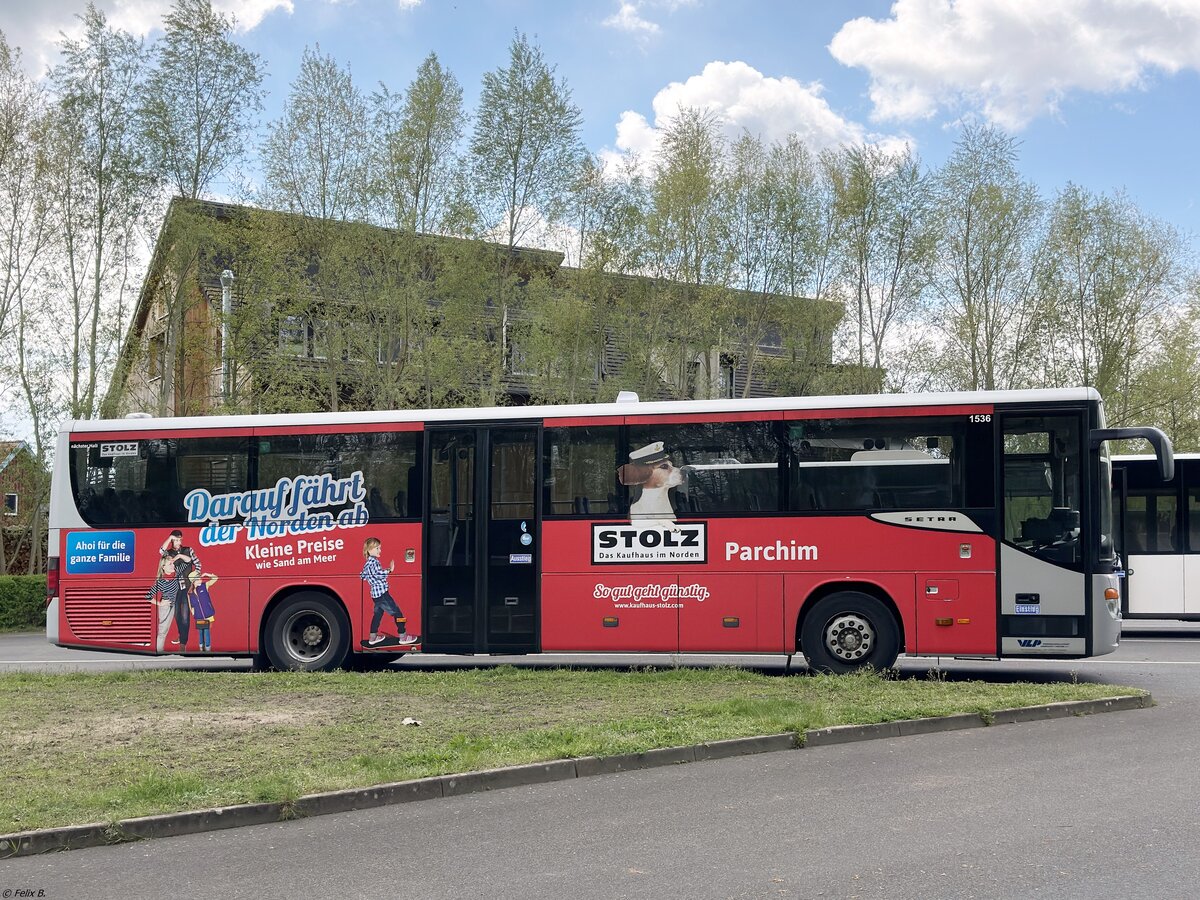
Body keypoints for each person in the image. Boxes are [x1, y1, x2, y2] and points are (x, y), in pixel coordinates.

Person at [360, 537, 419, 647]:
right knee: (398, 613)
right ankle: (403, 635)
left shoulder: (367, 563)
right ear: (369, 550)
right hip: (382, 595)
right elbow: (378, 574)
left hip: (375, 595)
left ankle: (372, 637)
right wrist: (389, 570)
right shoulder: (373, 563)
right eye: (377, 548)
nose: (380, 550)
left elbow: (362, 576)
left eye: (380, 548)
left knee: (377, 615)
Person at [161, 530, 199, 649]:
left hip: (186, 588)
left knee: (185, 615)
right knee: (176, 614)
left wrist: (194, 579)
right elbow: (160, 551)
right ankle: (182, 635)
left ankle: (183, 642)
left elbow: (197, 564)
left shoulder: (188, 550)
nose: (178, 542)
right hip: (175, 588)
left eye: (179, 539)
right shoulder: (169, 553)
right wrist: (169, 537)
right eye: (175, 540)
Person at [145, 556, 180, 653]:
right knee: (162, 632)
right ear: (163, 567)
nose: (173, 566)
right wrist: (160, 603)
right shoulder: (161, 581)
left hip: (176, 605)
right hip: (166, 607)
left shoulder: (176, 575)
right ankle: (159, 651)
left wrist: (177, 557)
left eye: (172, 564)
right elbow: (148, 596)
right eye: (170, 564)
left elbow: (188, 561)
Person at [187, 571, 219, 653]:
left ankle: (208, 648)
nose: (200, 579)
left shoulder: (204, 586)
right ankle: (201, 647)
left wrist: (207, 574)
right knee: (201, 632)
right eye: (198, 578)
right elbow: (191, 605)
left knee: (206, 631)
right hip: (199, 616)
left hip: (208, 614)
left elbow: (215, 578)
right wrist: (193, 612)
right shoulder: (190, 593)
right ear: (193, 581)